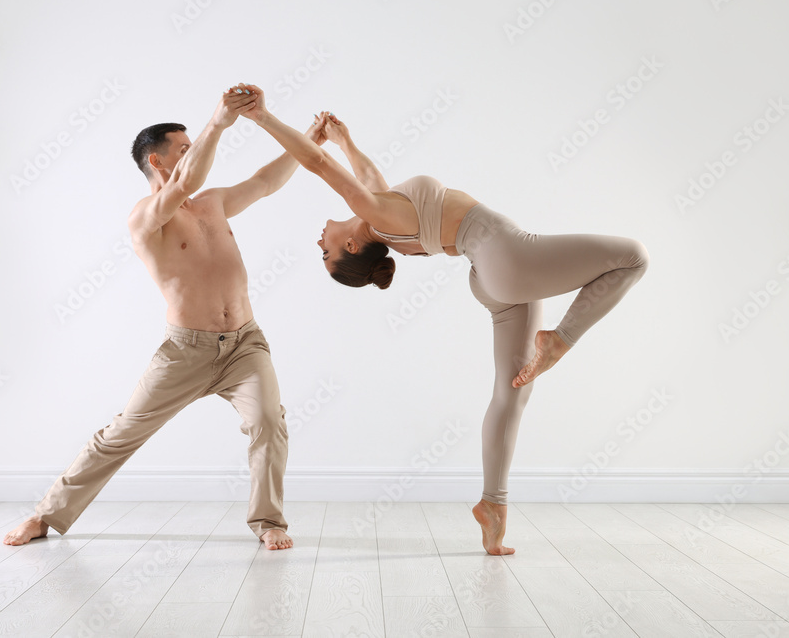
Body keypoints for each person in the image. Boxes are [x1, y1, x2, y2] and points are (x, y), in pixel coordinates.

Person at [236, 85, 649, 555]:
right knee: (633, 257)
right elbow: (318, 164)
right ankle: (560, 340)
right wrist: (263, 117)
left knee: (511, 392)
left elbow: (367, 177)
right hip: (506, 255)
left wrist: (345, 140)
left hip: (489, 277)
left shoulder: (383, 213)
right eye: (326, 254)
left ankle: (494, 505)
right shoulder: (377, 212)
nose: (319, 244)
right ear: (351, 247)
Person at [3, 86, 327, 551]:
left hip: (244, 344)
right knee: (121, 434)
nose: (194, 152)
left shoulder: (213, 203)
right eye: (184, 148)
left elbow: (265, 181)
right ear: (157, 161)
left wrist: (310, 138)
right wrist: (217, 122)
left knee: (268, 423)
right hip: (185, 352)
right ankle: (45, 515)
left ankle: (268, 522)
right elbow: (182, 186)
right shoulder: (145, 217)